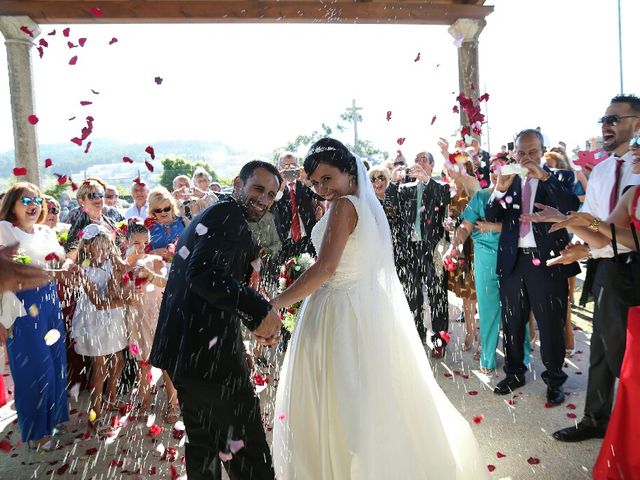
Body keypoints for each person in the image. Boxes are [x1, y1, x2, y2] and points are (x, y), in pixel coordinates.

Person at [271, 138, 488, 479]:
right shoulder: (363, 204)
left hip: (338, 309)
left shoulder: (344, 207)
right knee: (361, 394)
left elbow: (326, 268)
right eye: (314, 183)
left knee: (340, 398)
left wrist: (277, 304)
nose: (321, 188)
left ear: (348, 171)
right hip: (357, 304)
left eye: (328, 179)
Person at [150, 160, 283, 480]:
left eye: (271, 195)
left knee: (204, 445)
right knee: (247, 455)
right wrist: (259, 312)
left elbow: (209, 287)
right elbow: (205, 274)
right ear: (238, 183)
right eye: (258, 189)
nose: (264, 199)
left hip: (187, 356)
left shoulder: (214, 214)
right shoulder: (227, 216)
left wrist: (239, 338)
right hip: (209, 362)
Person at [525, 141, 640, 478]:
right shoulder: (632, 196)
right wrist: (572, 221)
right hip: (629, 288)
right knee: (628, 376)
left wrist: (579, 221)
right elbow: (608, 238)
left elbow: (625, 237)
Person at [548, 94, 640, 442]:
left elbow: (622, 234)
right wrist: (575, 236)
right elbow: (601, 235)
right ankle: (595, 420)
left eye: (615, 118)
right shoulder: (600, 172)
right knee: (601, 350)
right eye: (604, 119)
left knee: (625, 358)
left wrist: (578, 223)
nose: (606, 124)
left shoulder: (638, 171)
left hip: (633, 269)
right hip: (607, 270)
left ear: (637, 123)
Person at [485, 129, 579, 405]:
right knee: (513, 321)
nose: (526, 158)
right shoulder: (509, 178)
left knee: (550, 322)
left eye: (532, 152)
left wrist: (545, 177)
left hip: (547, 261)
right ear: (514, 153)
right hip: (514, 261)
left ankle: (554, 379)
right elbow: (492, 214)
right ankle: (515, 373)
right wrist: (499, 188)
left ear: (542, 151)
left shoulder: (560, 176)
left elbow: (570, 206)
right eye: (521, 152)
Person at [444, 154, 532, 374]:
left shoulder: (521, 196)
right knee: (488, 308)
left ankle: (523, 355)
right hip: (484, 259)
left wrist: (495, 227)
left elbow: (526, 227)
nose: (497, 173)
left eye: (502, 169)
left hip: (514, 256)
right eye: (493, 169)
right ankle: (488, 358)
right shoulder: (481, 197)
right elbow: (465, 225)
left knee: (517, 310)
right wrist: (455, 244)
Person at [0, 182, 71, 448]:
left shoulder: (45, 232)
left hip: (50, 300)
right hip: (21, 304)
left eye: (36, 200)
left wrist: (68, 264)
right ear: (12, 206)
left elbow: (58, 261)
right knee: (34, 368)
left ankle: (53, 418)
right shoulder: (5, 229)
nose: (33, 205)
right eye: (25, 201)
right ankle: (36, 431)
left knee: (55, 363)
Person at [385, 150, 451, 355]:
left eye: (424, 159)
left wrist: (427, 180)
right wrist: (394, 182)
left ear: (432, 165)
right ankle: (417, 335)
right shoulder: (405, 188)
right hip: (410, 249)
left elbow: (444, 198)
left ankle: (440, 339)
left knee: (437, 295)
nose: (419, 162)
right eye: (417, 159)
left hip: (435, 250)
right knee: (412, 295)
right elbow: (390, 205)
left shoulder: (440, 186)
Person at [71, 224, 131, 428]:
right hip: (93, 318)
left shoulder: (111, 261)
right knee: (100, 367)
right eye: (100, 248)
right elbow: (97, 303)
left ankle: (111, 396)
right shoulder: (83, 269)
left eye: (108, 248)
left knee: (119, 359)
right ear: (87, 247)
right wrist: (126, 302)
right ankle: (95, 411)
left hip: (113, 316)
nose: (105, 252)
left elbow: (126, 271)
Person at [123, 219, 180, 424]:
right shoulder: (122, 265)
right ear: (125, 241)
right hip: (135, 317)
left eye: (143, 242)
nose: (140, 247)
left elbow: (168, 283)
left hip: (155, 315)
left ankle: (173, 403)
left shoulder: (154, 260)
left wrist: (152, 276)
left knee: (164, 362)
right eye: (135, 242)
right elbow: (119, 291)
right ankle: (145, 401)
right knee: (142, 363)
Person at [444, 153, 480, 353]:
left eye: (454, 167)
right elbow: (451, 217)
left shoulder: (472, 186)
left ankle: (482, 339)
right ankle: (469, 330)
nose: (450, 171)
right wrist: (448, 224)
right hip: (460, 246)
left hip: (476, 246)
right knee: (466, 293)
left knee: (479, 292)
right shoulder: (451, 191)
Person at [271, 152, 322, 261]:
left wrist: (308, 182)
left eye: (293, 165)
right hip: (284, 241)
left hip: (307, 238)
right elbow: (270, 205)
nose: (290, 169)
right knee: (285, 275)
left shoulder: (305, 184)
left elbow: (321, 196)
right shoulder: (274, 187)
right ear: (279, 168)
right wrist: (280, 187)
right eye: (286, 166)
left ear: (299, 167)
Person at [66, 179, 126, 255]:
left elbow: (122, 248)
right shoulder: (79, 223)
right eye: (92, 196)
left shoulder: (110, 222)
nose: (98, 198)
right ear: (81, 201)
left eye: (100, 195)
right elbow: (70, 253)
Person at [146, 187, 186, 261]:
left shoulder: (183, 220)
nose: (163, 213)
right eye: (158, 210)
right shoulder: (148, 226)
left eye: (166, 208)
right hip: (158, 269)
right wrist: (153, 253)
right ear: (153, 211)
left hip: (181, 266)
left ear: (172, 206)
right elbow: (139, 253)